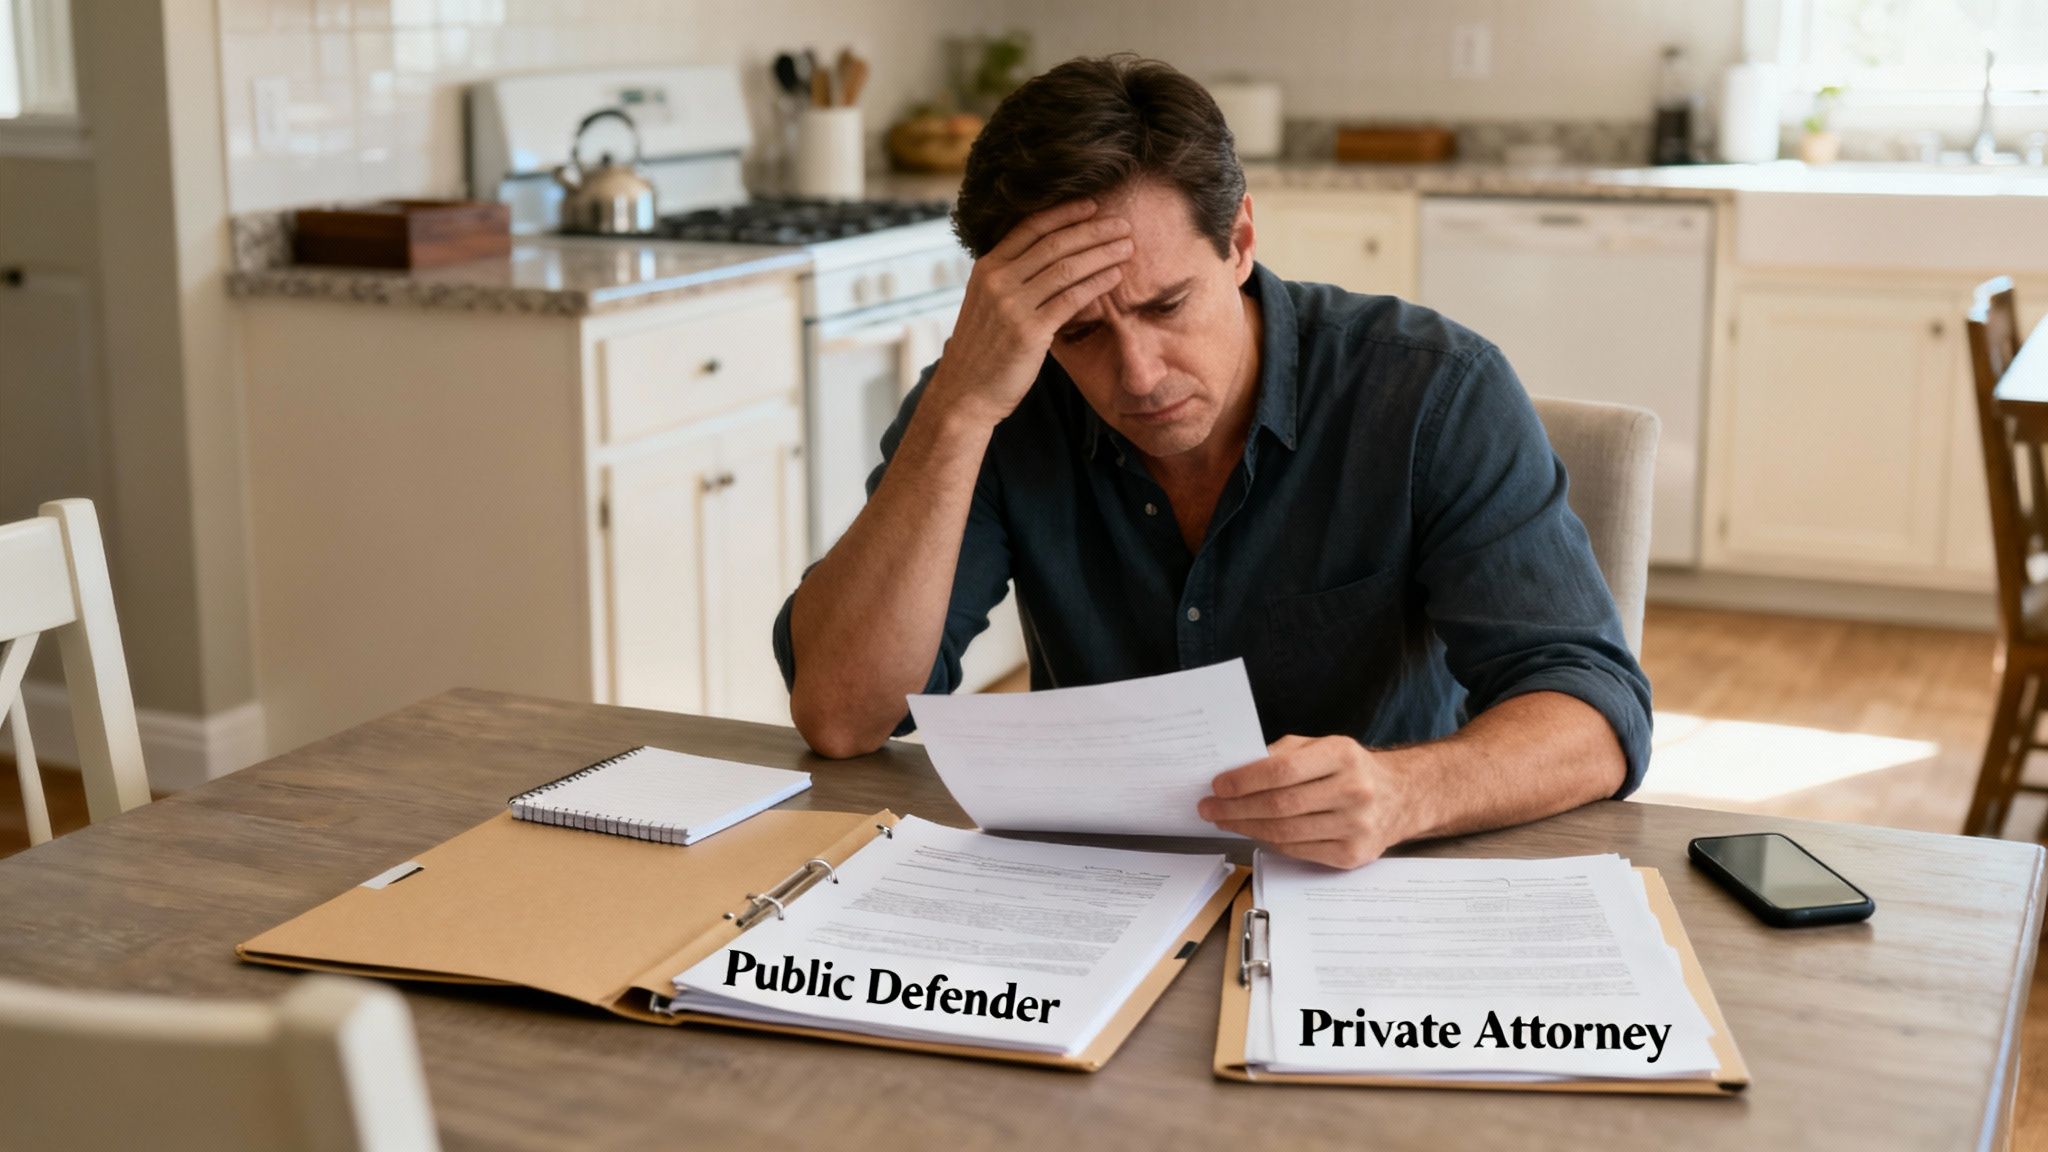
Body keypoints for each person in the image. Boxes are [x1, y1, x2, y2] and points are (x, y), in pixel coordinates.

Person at [772, 54, 1651, 869]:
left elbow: (1595, 712)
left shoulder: (1431, 392)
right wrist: (958, 410)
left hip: (1378, 883)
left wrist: (1404, 792)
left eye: (1167, 305)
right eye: (1078, 331)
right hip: (1105, 889)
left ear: (1238, 240)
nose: (1139, 377)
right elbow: (843, 717)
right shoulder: (997, 397)